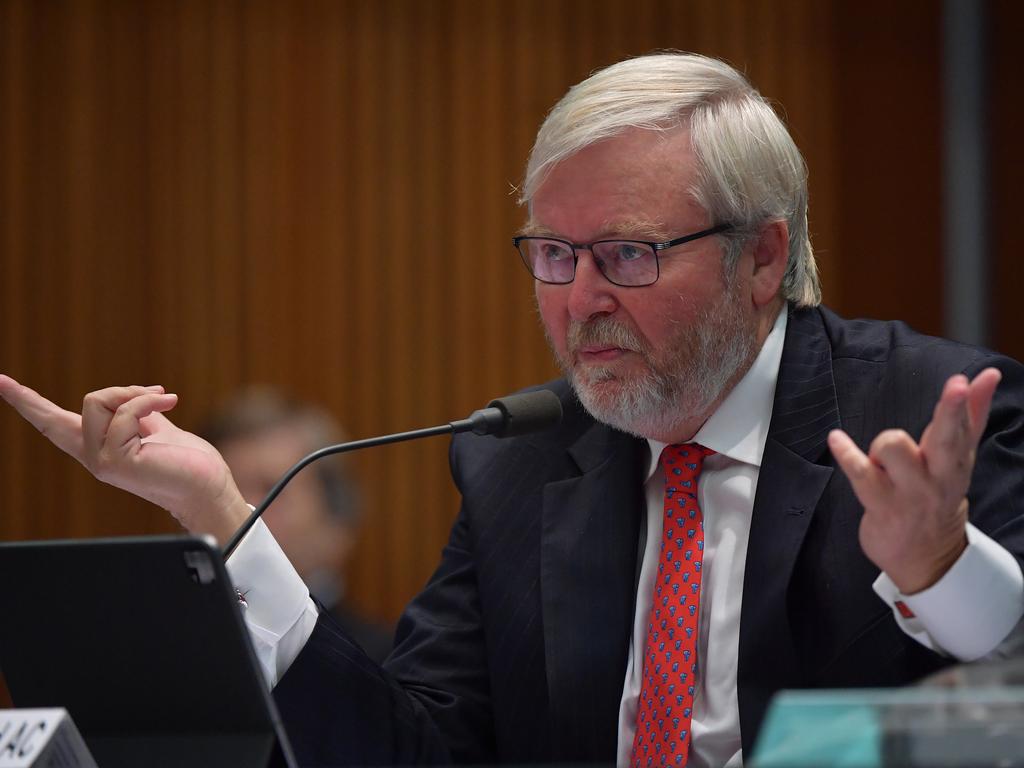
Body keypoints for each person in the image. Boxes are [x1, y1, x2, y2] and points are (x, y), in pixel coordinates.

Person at [1, 52, 1022, 767]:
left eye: (627, 252)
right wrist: (224, 513)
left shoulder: (925, 416)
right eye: (551, 255)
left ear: (761, 256)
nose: (580, 298)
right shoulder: (522, 465)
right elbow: (408, 754)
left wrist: (936, 568)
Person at [198, 387, 393, 664]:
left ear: (335, 518)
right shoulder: (162, 643)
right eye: (227, 490)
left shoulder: (382, 662)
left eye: (270, 489)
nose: (242, 510)